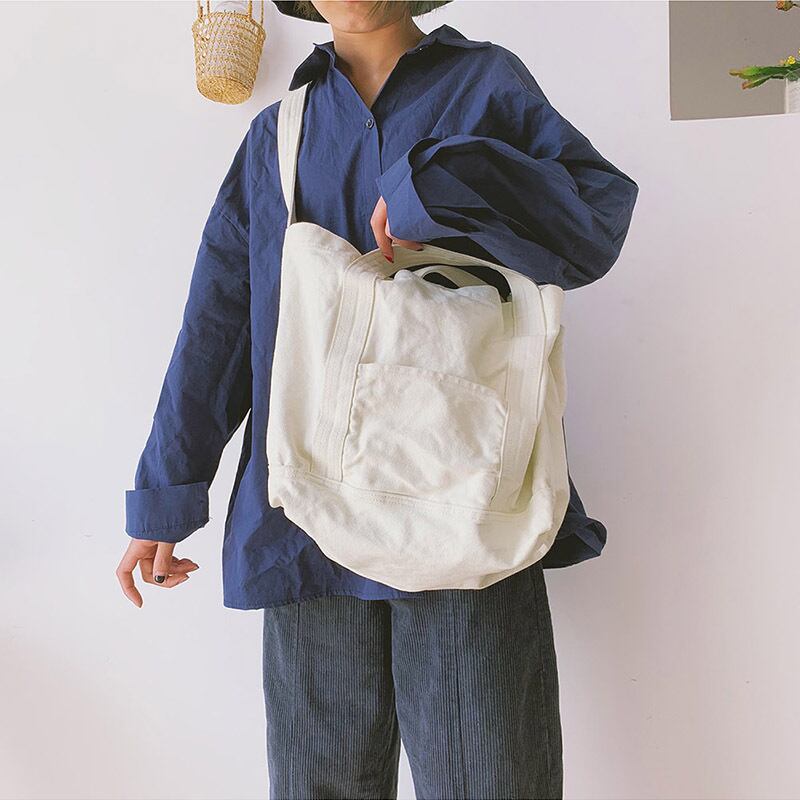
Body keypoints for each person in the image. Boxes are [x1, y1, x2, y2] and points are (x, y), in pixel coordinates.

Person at [117, 1, 639, 797]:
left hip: (466, 494)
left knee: (491, 779)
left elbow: (595, 216)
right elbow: (221, 320)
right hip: (306, 506)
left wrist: (435, 185)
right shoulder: (277, 134)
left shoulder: (486, 84)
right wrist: (165, 497)